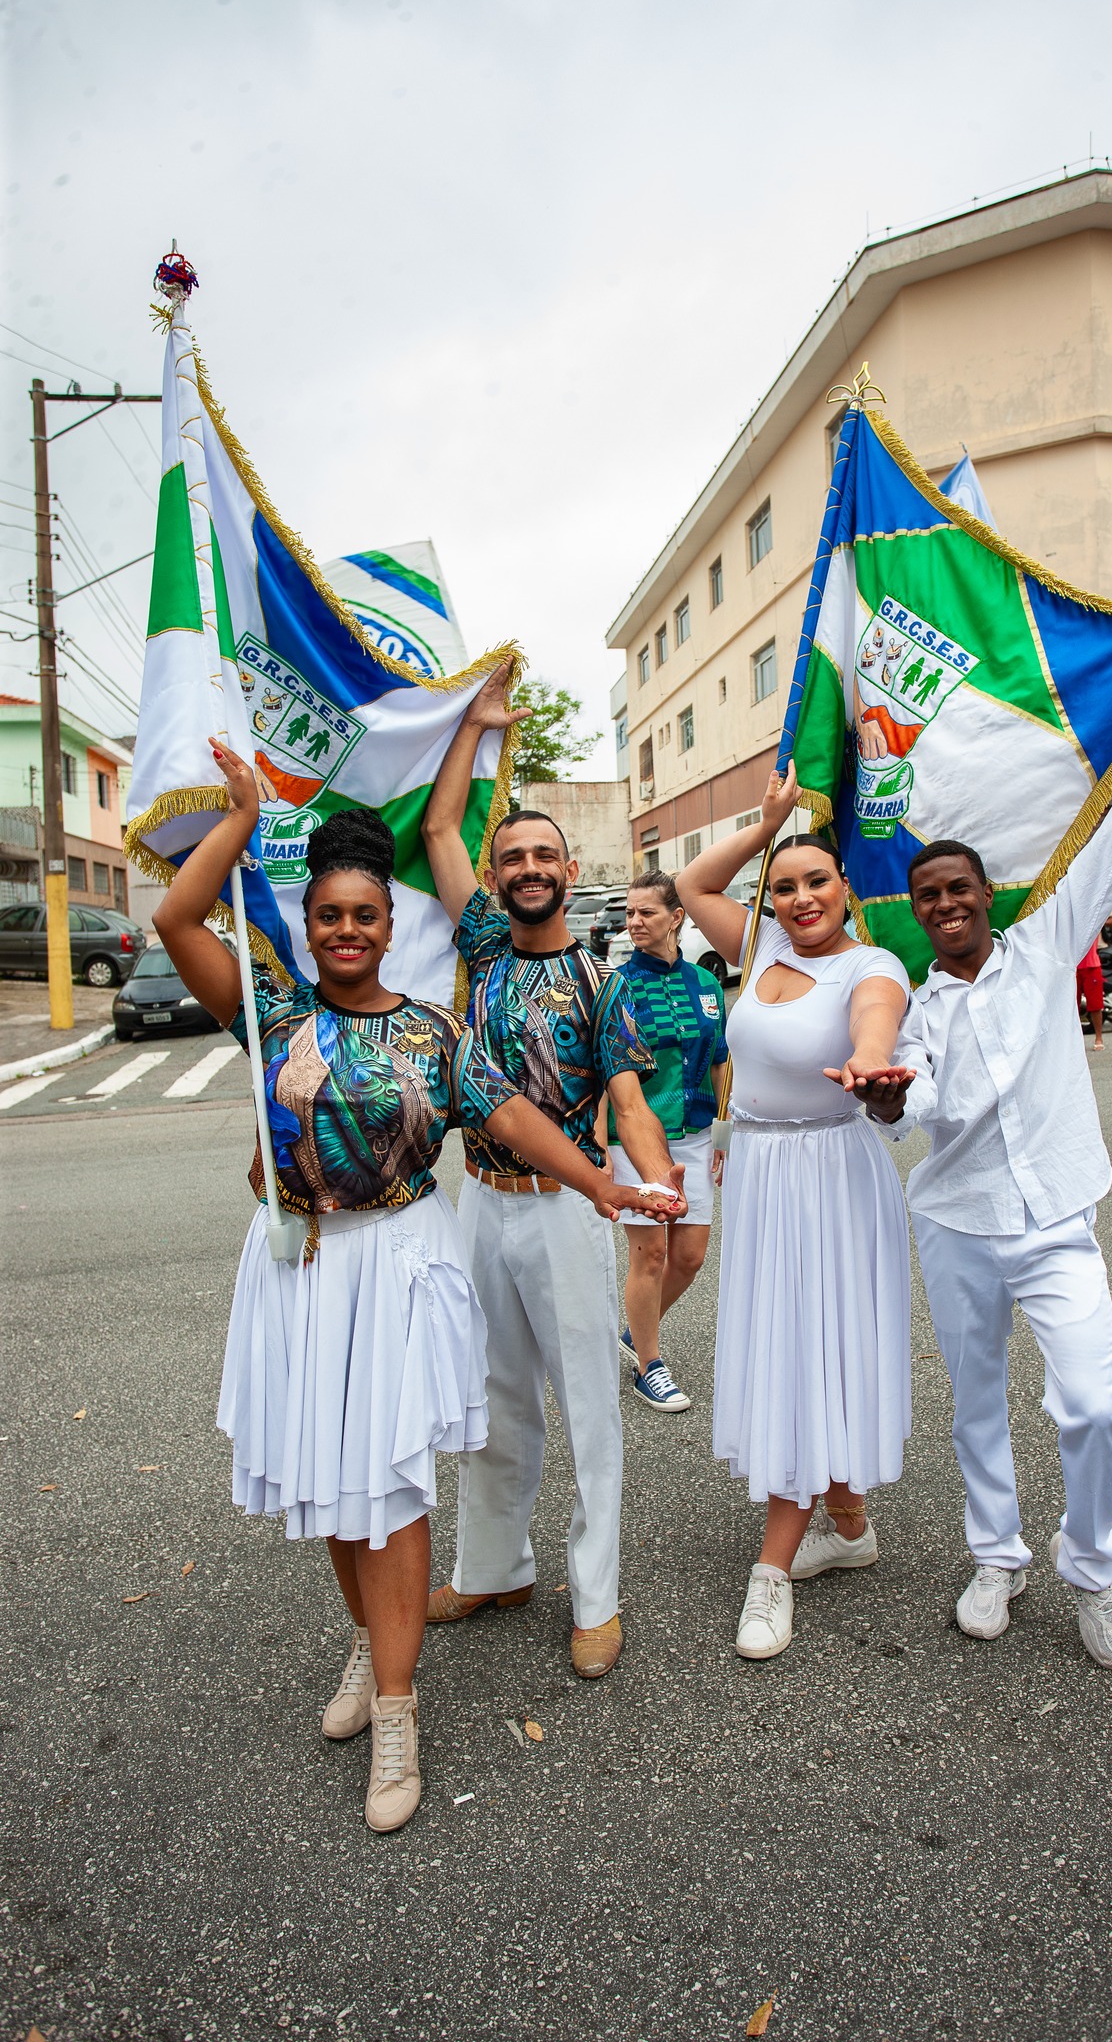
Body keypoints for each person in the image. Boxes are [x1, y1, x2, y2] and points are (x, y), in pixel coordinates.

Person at [153, 744, 669, 1833]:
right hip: (297, 1268)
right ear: (310, 926)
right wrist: (242, 818)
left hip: (391, 1261)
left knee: (386, 1490)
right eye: (327, 915)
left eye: (364, 916)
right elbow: (177, 921)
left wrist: (599, 1183)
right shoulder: (279, 1017)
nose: (345, 930)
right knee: (334, 1484)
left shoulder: (437, 1033)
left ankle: (399, 1709)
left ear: (392, 927)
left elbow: (514, 1115)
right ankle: (366, 1644)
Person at [873, 650, 1112, 1672]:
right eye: (927, 894)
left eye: (959, 888)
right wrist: (893, 1100)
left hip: (1059, 1220)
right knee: (977, 1401)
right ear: (916, 908)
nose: (944, 904)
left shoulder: (1042, 941)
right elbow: (916, 1106)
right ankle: (997, 1555)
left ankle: (1094, 1565)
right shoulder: (914, 1009)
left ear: (987, 894)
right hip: (957, 1224)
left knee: (1091, 1406)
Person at [420, 664, 686, 1681]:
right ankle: (496, 1566)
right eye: (513, 855)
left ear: (572, 872)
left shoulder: (603, 983)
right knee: (491, 1400)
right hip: (477, 1205)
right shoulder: (483, 945)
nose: (528, 866)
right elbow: (443, 827)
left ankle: (598, 1592)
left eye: (545, 855)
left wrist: (649, 1186)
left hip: (570, 1211)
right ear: (497, 877)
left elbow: (627, 1103)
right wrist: (477, 730)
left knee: (587, 1404)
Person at [677, 768, 924, 1663]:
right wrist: (767, 822)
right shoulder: (756, 948)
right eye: (783, 886)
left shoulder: (874, 964)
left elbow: (872, 1026)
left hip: (831, 1175)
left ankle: (774, 1567)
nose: (799, 897)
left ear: (846, 888)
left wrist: (868, 1067)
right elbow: (690, 886)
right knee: (790, 1344)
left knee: (813, 1352)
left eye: (815, 880)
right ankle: (848, 1522)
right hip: (760, 1176)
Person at [606, 868, 729, 1413]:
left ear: (676, 918)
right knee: (651, 1253)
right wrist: (597, 1135)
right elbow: (602, 1067)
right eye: (630, 912)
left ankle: (637, 1328)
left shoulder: (705, 984)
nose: (634, 921)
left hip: (698, 1132)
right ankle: (649, 1365)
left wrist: (725, 1128)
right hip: (637, 1135)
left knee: (691, 1256)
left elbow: (722, 1060)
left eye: (646, 912)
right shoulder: (617, 984)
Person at [1076, 939, 1105, 1050]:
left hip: (1091, 964)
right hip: (1073, 966)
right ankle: (1074, 1039)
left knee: (1095, 1004)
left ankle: (1099, 1038)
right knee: (1072, 1006)